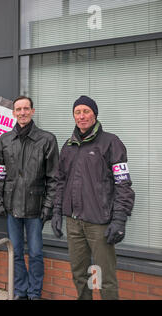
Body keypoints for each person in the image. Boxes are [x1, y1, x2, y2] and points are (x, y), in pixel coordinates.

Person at [51, 95, 135, 300]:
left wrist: (119, 219)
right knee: (81, 274)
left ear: (94, 114)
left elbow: (123, 183)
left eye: (86, 111)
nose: (82, 116)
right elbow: (60, 181)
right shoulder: (68, 146)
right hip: (74, 222)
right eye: (77, 112)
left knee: (104, 277)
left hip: (99, 224)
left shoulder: (111, 143)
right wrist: (56, 211)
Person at [0, 96, 59, 300]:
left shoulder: (47, 139)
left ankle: (34, 293)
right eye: (18, 109)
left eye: (26, 108)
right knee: (17, 253)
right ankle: (21, 292)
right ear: (13, 112)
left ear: (32, 111)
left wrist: (48, 206)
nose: (22, 112)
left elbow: (54, 178)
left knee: (36, 254)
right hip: (12, 207)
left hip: (35, 208)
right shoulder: (4, 139)